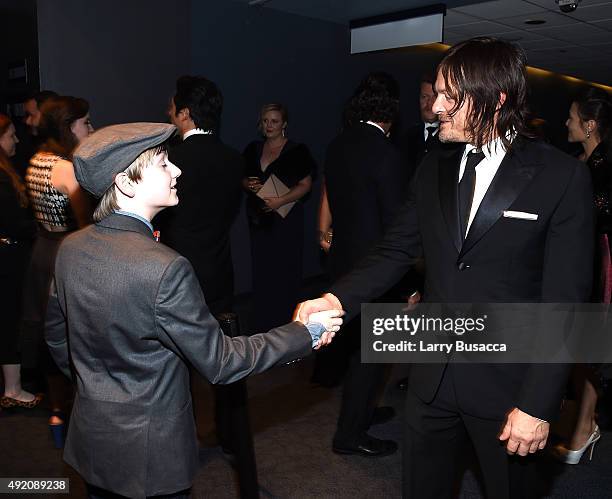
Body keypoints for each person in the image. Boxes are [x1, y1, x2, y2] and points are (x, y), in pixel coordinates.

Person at [297, 37, 594, 499]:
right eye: (436, 93)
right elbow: (394, 250)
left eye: (449, 97)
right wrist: (335, 298)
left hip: (508, 387)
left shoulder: (561, 176)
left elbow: (567, 304)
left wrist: (537, 404)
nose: (435, 107)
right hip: (431, 376)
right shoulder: (433, 164)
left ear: (494, 99)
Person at [44, 122, 342, 499]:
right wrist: (305, 332)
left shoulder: (70, 248)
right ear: (126, 183)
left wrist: (95, 382)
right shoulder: (164, 267)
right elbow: (221, 362)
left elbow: (58, 339)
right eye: (163, 164)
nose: (177, 171)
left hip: (92, 441)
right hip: (151, 457)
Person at [158, 75, 258, 496]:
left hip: (174, 275)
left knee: (172, 365)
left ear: (184, 112)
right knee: (226, 361)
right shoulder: (234, 159)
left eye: (171, 106)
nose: (167, 111)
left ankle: (178, 443)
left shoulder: (169, 159)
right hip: (218, 273)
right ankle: (233, 440)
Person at [315, 72, 408, 456]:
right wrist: (409, 286)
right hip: (376, 271)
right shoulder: (387, 153)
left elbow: (337, 205)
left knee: (358, 350)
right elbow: (396, 227)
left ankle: (362, 413)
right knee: (373, 356)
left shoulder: (337, 146)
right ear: (390, 111)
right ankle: (350, 436)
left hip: (342, 264)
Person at [21, 95, 93, 445]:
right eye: (86, 123)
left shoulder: (37, 159)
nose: (91, 128)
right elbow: (86, 225)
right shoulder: (67, 167)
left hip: (42, 252)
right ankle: (82, 417)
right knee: (74, 336)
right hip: (67, 254)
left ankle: (56, 412)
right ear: (69, 127)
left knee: (51, 338)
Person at [552, 87, 612, 464]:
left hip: (601, 268)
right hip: (580, 266)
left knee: (590, 350)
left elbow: (594, 223)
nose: (566, 123)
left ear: (589, 126)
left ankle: (583, 427)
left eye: (572, 118)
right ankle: (583, 424)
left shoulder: (604, 169)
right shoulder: (580, 163)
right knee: (580, 350)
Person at [243, 104, 316, 331]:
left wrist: (280, 201)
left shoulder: (298, 150)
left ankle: (287, 326)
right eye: (265, 121)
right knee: (262, 272)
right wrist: (247, 184)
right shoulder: (253, 149)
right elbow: (242, 178)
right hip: (259, 221)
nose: (269, 125)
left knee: (285, 272)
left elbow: (306, 185)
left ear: (284, 124)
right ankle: (264, 325)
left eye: (274, 121)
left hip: (287, 221)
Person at [0, 114, 40, 410]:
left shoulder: (6, 170)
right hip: (9, 255)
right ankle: (12, 389)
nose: (16, 140)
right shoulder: (1, 176)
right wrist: (42, 224)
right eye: (11, 135)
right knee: (10, 319)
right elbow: (14, 223)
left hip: (10, 251)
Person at [399, 74, 448, 180]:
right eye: (424, 97)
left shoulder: (451, 140)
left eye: (434, 97)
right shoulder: (406, 137)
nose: (429, 103)